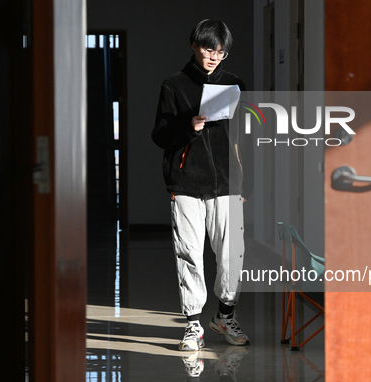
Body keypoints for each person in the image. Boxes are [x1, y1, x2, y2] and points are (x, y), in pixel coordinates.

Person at [152, 19, 249, 351]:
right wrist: (188, 126)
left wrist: (242, 180)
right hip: (186, 182)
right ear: (194, 45)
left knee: (232, 254)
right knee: (190, 255)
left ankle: (225, 316)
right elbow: (160, 135)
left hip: (226, 184)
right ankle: (193, 325)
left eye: (221, 52)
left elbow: (240, 138)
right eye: (209, 49)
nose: (214, 57)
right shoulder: (174, 85)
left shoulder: (234, 84)